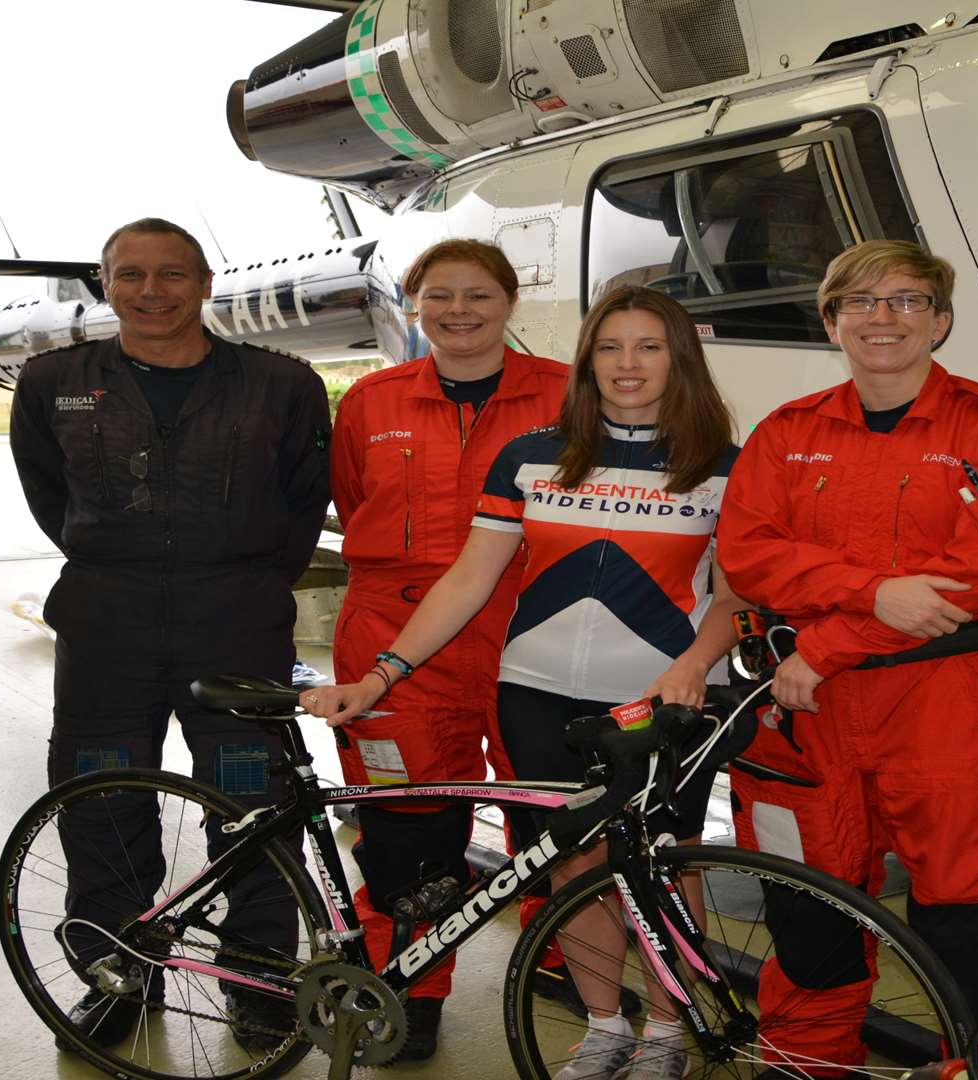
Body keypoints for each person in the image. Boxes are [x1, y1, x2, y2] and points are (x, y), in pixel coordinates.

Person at [307, 285, 742, 1080]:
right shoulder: (534, 454)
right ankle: (607, 1027)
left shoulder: (721, 465)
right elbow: (470, 579)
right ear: (588, 362)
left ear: (680, 358)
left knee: (663, 864)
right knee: (571, 866)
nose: (628, 364)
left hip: (658, 700)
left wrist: (693, 663)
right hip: (536, 693)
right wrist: (383, 673)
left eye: (649, 346)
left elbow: (738, 594)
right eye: (610, 348)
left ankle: (670, 1036)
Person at [716, 239, 978, 1079]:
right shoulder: (787, 432)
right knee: (806, 916)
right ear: (831, 321)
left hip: (949, 710)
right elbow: (748, 554)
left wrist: (834, 638)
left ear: (939, 321)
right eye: (862, 302)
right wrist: (874, 594)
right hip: (803, 719)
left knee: (971, 923)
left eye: (907, 301)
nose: (884, 318)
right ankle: (801, 1065)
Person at [9, 218, 333, 1052]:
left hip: (234, 629)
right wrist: (116, 560)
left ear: (205, 283)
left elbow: (302, 507)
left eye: (172, 275)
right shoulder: (54, 383)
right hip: (105, 629)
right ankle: (117, 972)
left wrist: (248, 582)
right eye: (132, 275)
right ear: (105, 283)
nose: (152, 292)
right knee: (104, 797)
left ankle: (260, 977)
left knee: (250, 799)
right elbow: (52, 497)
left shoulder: (282, 385)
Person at [323, 238, 568, 1059]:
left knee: (550, 812)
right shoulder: (371, 401)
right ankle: (410, 987)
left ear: (510, 303)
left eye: (478, 296)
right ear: (413, 304)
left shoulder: (571, 397)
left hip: (537, 628)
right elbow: (352, 496)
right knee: (407, 829)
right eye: (439, 297)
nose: (459, 312)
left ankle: (559, 957)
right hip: (397, 634)